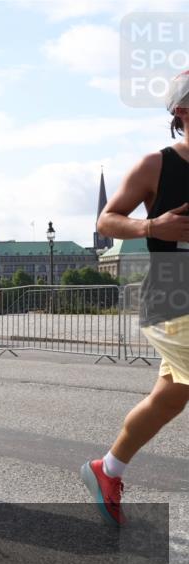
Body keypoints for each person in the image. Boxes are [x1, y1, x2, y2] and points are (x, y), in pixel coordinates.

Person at [81, 72, 189, 526]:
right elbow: (107, 221)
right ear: (182, 113)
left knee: (172, 395)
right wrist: (151, 226)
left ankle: (108, 468)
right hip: (172, 289)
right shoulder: (156, 166)